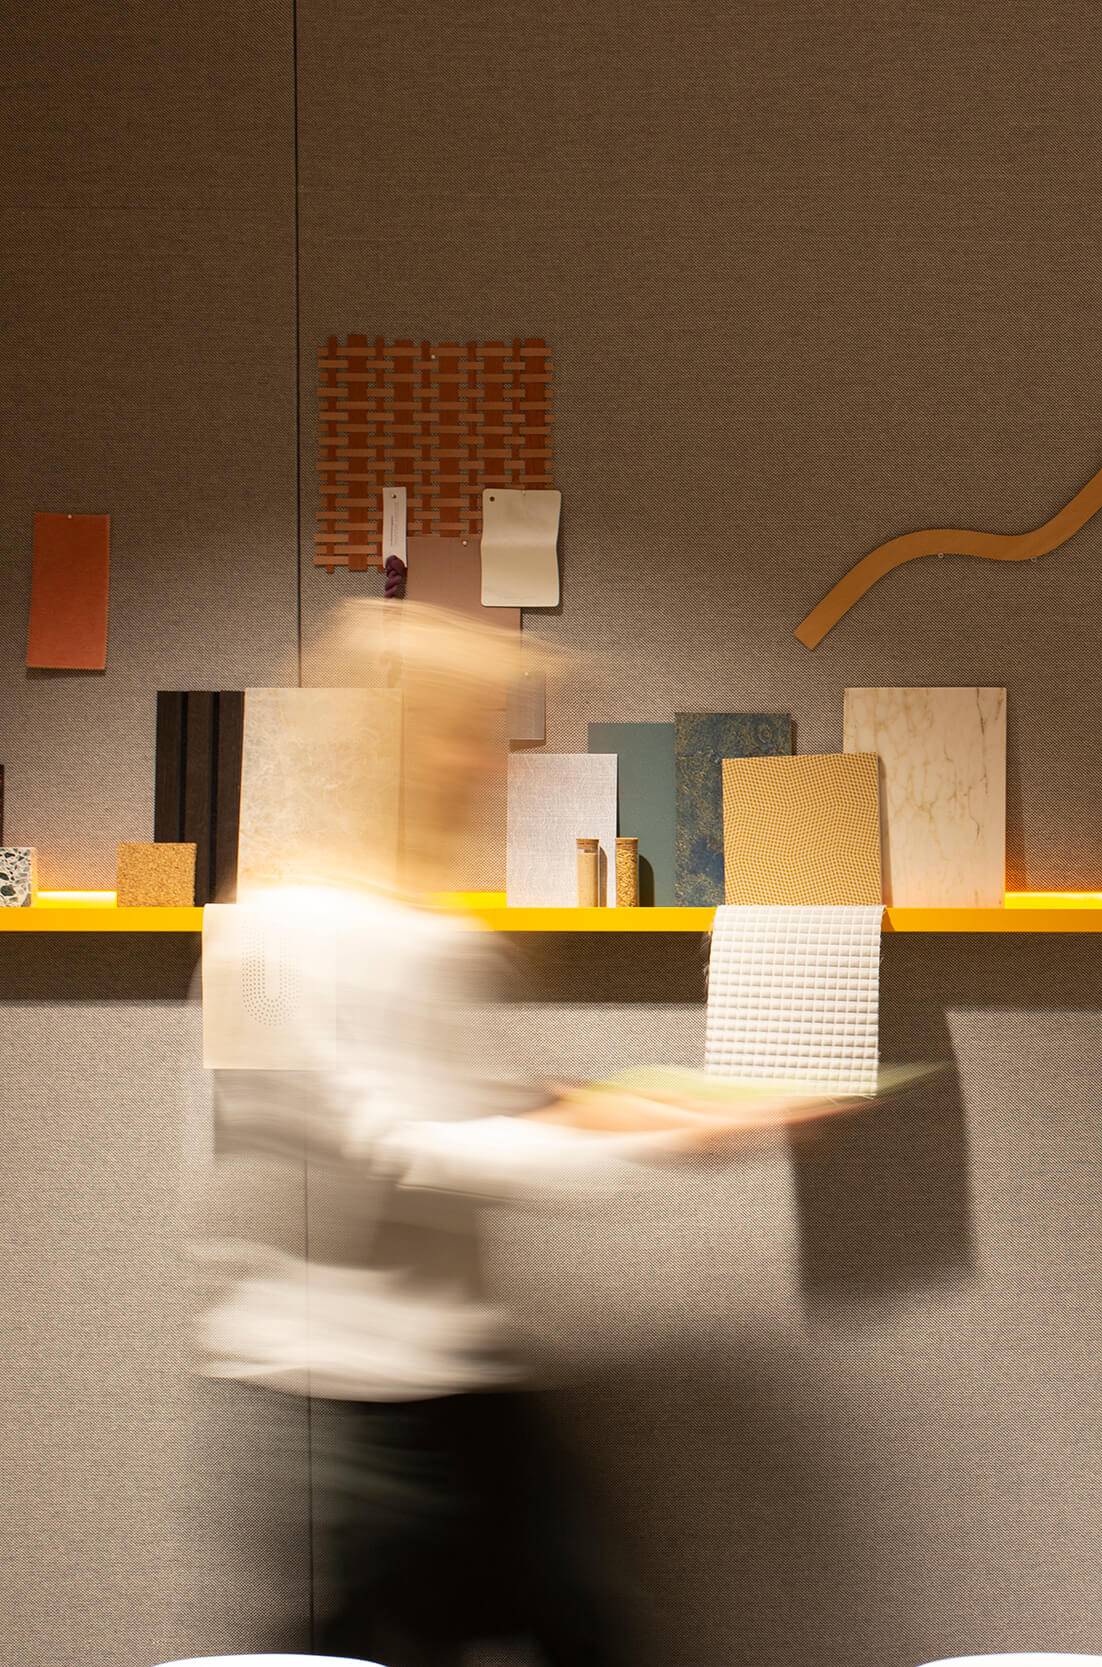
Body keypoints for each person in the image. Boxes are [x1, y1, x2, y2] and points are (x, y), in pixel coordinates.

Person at [195, 602, 861, 1665]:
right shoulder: (293, 930)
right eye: (476, 730)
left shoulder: (380, 922)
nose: (499, 763)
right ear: (398, 743)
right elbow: (397, 1140)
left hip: (441, 1381)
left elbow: (430, 1103)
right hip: (360, 1397)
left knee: (571, 1627)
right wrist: (654, 1137)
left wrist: (653, 1103)